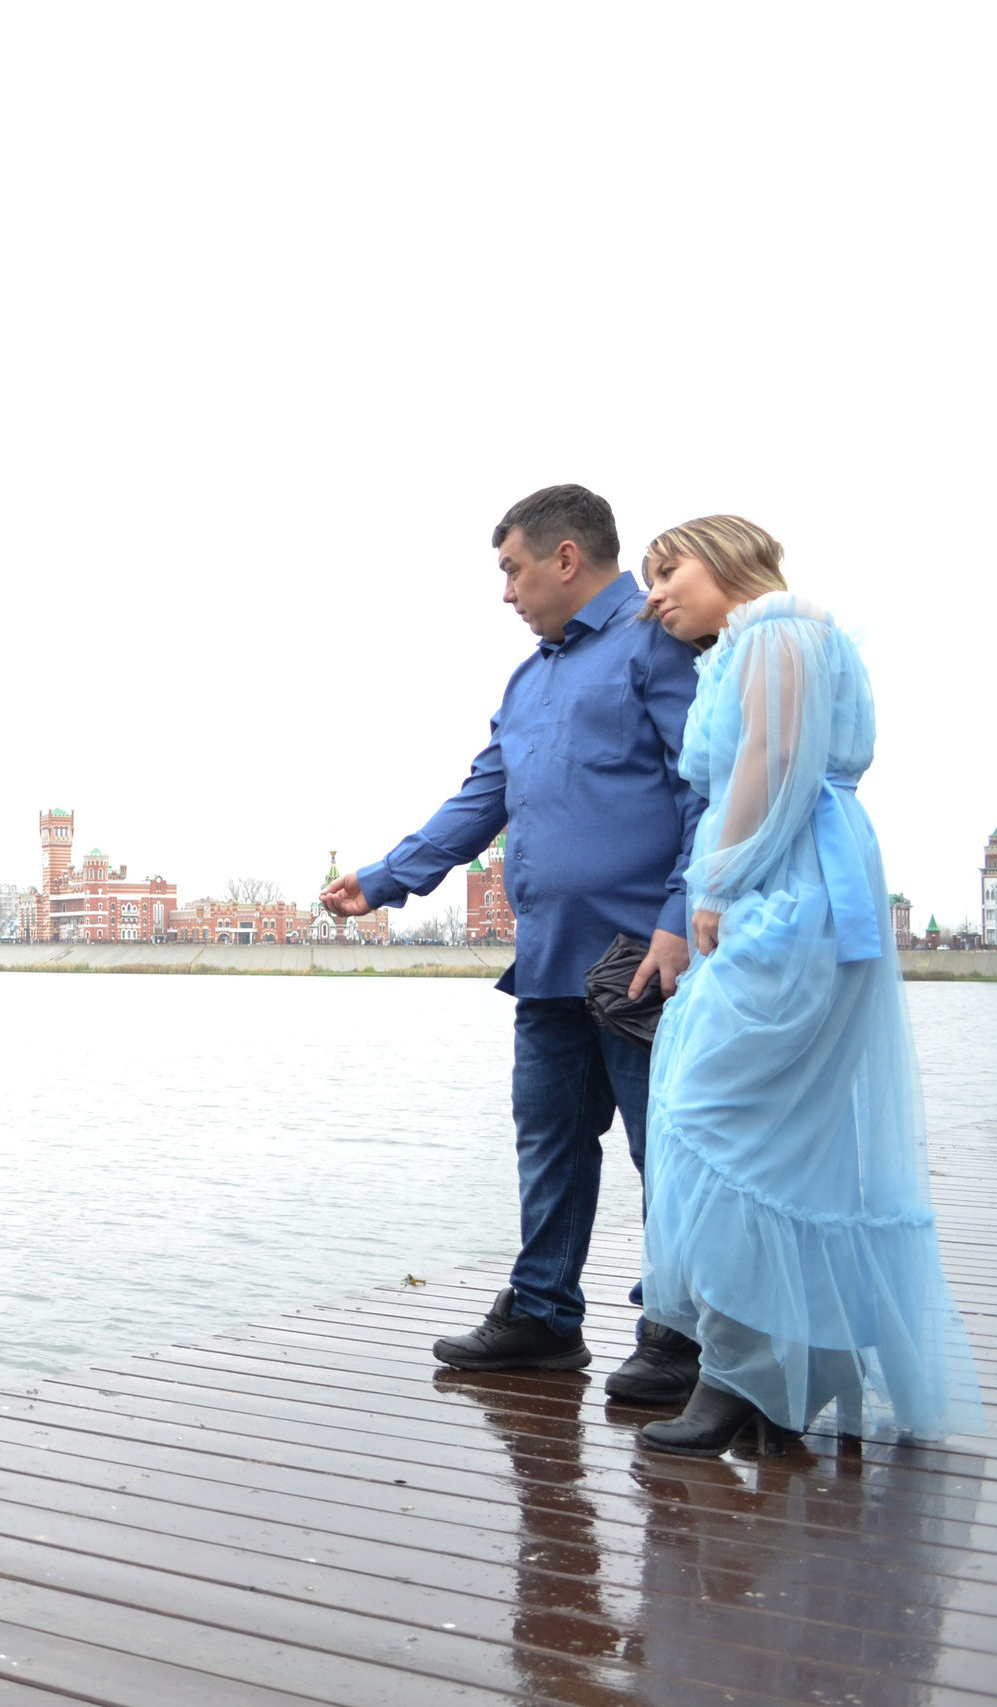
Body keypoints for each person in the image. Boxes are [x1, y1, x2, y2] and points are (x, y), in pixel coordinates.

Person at [320, 484, 705, 1402]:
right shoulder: (530, 677)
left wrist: (678, 920)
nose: (506, 591)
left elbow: (707, 791)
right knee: (550, 1142)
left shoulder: (657, 642)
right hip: (548, 960)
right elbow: (483, 793)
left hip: (641, 963)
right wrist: (384, 878)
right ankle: (542, 1316)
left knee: (671, 1151)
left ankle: (677, 1330)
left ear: (566, 557)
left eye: (512, 568)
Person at [629, 516, 982, 1455]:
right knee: (787, 1138)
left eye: (668, 570)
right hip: (802, 889)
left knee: (713, 1113)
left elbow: (770, 760)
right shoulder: (770, 639)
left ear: (728, 557)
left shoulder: (777, 627)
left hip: (786, 895)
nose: (654, 593)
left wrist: (720, 878)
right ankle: (797, 1363)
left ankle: (742, 1370)